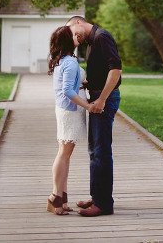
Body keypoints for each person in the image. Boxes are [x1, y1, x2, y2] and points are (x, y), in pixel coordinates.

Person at [66, 16, 123, 217]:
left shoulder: (101, 37)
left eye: (72, 32)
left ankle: (104, 204)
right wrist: (87, 84)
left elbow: (115, 70)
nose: (74, 38)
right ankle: (97, 196)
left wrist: (102, 100)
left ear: (78, 22)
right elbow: (103, 70)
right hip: (96, 95)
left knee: (101, 152)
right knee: (94, 151)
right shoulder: (91, 41)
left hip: (103, 100)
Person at [47, 26, 94, 215]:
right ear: (68, 41)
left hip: (66, 110)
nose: (78, 37)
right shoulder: (70, 63)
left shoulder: (64, 61)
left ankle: (61, 200)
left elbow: (70, 86)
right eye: (74, 35)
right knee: (63, 155)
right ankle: (54, 198)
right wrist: (88, 106)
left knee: (65, 155)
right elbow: (67, 91)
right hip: (70, 112)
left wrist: (83, 85)